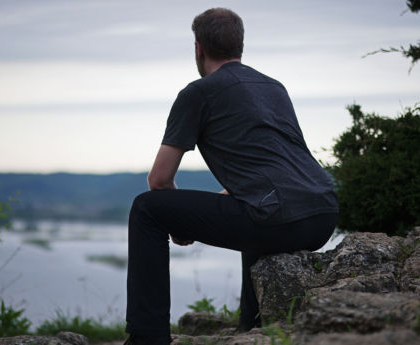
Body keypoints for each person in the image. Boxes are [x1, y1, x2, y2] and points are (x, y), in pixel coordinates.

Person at [125, 8, 338, 345]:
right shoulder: (274, 88)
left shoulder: (198, 93)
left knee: (146, 208)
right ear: (241, 45)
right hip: (323, 214)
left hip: (277, 215)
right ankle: (252, 328)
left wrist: (180, 223)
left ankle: (147, 338)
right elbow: (280, 167)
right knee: (254, 212)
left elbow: (159, 181)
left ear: (199, 49)